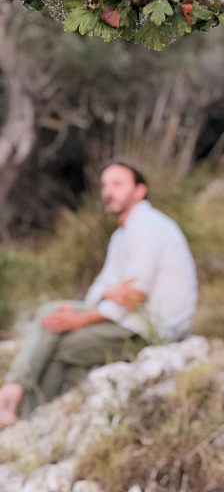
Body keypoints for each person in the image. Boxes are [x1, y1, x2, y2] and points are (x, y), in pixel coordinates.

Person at [0, 159, 198, 427]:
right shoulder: (121, 236)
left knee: (62, 345)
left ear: (139, 191)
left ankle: (20, 408)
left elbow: (132, 298)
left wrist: (81, 319)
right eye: (104, 185)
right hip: (127, 320)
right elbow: (99, 289)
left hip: (151, 329)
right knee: (52, 312)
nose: (108, 191)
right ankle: (19, 405)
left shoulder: (148, 226)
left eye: (117, 184)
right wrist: (108, 293)